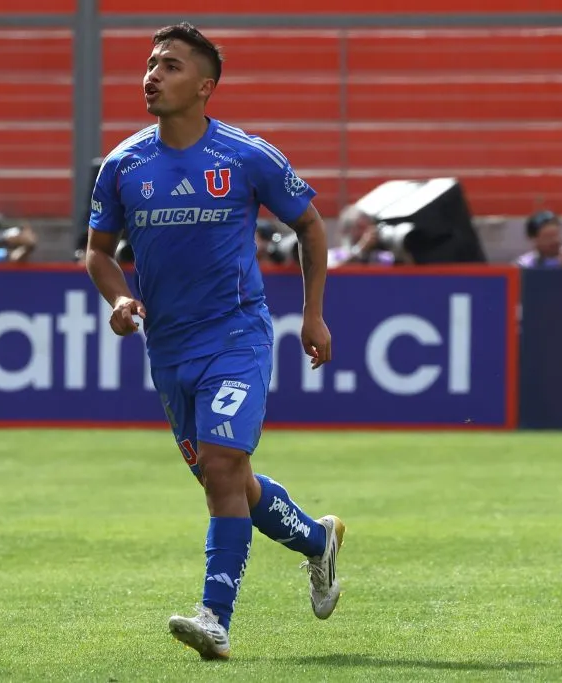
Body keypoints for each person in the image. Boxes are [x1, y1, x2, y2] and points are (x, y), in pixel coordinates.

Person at [84, 23, 345, 661]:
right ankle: (317, 541)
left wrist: (313, 316)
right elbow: (97, 252)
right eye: (150, 63)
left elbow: (310, 226)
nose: (152, 74)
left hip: (236, 336)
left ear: (204, 86)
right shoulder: (123, 164)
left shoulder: (246, 156)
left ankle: (215, 618)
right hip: (168, 349)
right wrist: (119, 297)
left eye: (169, 66)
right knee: (224, 479)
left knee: (223, 466)